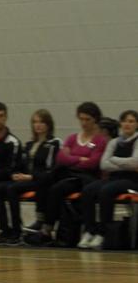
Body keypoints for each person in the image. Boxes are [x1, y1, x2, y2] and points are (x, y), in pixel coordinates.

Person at [24, 101, 108, 246]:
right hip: (68, 173)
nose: (84, 123)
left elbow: (93, 163)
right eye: (81, 119)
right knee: (45, 179)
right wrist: (80, 158)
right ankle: (41, 218)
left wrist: (73, 159)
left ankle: (47, 229)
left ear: (95, 120)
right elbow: (61, 158)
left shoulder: (100, 140)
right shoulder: (72, 138)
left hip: (85, 177)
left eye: (87, 119)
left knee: (57, 189)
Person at [0, 109, 60, 245]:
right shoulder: (28, 145)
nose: (38, 125)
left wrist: (30, 177)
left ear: (48, 124)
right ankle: (5, 229)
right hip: (25, 179)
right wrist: (15, 174)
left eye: (41, 122)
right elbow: (20, 165)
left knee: (11, 189)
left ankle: (17, 230)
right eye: (35, 122)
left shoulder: (54, 143)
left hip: (40, 180)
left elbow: (51, 171)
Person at [78, 109, 138, 250]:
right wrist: (124, 164)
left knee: (106, 191)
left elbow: (135, 162)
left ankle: (103, 233)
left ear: (136, 124)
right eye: (124, 121)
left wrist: (115, 160)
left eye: (131, 121)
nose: (127, 124)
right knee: (88, 190)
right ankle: (90, 230)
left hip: (132, 181)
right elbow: (104, 164)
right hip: (114, 178)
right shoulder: (115, 142)